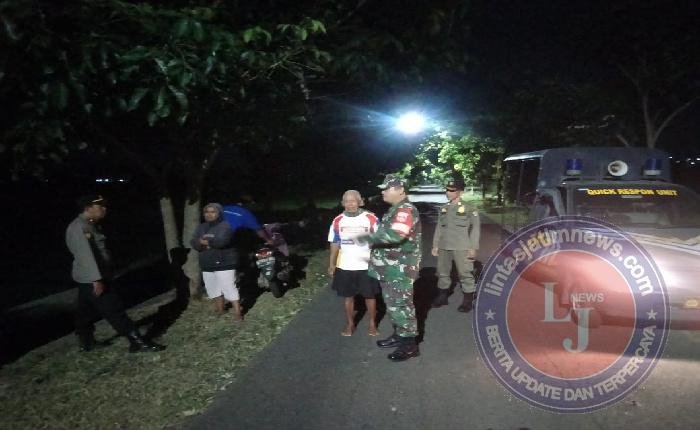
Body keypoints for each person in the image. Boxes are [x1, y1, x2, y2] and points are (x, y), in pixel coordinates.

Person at [66, 194, 165, 353]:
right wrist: (96, 279)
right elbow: (86, 256)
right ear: (88, 208)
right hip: (93, 278)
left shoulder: (90, 224)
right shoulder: (79, 228)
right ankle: (136, 341)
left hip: (90, 277)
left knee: (85, 311)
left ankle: (86, 342)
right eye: (100, 206)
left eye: (104, 206)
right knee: (113, 309)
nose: (104, 209)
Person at [355, 175, 422, 362]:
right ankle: (400, 335)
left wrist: (366, 237)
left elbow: (396, 234)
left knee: (401, 305)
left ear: (400, 190)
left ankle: (409, 345)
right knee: (393, 305)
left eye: (387, 188)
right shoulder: (395, 209)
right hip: (390, 269)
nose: (383, 191)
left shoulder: (405, 210)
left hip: (400, 270)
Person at [328, 190, 380, 337]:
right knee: (348, 296)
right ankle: (350, 324)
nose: (350, 204)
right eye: (346, 201)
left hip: (367, 265)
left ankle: (372, 323)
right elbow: (335, 243)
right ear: (342, 203)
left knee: (370, 296)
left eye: (353, 201)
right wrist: (332, 264)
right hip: (345, 266)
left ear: (360, 202)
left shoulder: (371, 218)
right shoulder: (338, 220)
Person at [431, 179, 481, 312]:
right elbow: (439, 228)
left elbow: (475, 229)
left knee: (465, 273)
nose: (448, 192)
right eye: (447, 190)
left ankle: (468, 300)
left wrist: (473, 247)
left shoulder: (470, 208)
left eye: (452, 190)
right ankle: (442, 296)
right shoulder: (444, 208)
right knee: (442, 272)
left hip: (462, 246)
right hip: (444, 245)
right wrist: (435, 245)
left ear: (460, 192)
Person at [191, 203, 243, 322]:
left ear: (219, 213)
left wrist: (204, 242)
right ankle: (221, 310)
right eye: (207, 212)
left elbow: (221, 241)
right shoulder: (201, 227)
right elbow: (194, 242)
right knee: (213, 289)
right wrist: (204, 242)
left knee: (229, 288)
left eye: (213, 212)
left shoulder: (225, 225)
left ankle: (238, 314)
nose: (209, 214)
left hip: (225, 263)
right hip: (207, 264)